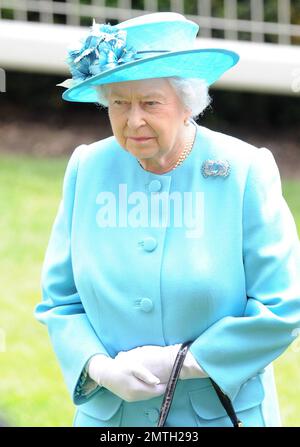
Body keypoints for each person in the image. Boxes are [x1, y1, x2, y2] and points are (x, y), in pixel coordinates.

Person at [34, 12, 300, 427]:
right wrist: (100, 368)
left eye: (150, 103)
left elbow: (283, 308)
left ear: (187, 103)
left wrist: (182, 362)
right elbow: (60, 301)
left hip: (216, 416)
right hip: (111, 418)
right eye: (119, 103)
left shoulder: (244, 170)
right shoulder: (88, 167)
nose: (133, 119)